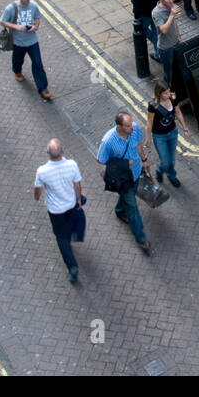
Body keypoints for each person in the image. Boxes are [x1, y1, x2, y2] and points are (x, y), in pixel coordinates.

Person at [97, 112, 151, 255]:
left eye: (131, 123)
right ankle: (141, 239)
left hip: (136, 172)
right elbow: (101, 160)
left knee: (128, 198)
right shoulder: (108, 141)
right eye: (127, 126)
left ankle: (119, 210)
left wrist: (144, 160)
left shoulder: (134, 129)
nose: (131, 127)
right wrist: (122, 165)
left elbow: (138, 145)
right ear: (119, 126)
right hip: (123, 179)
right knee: (133, 209)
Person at [35, 139, 85, 283]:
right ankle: (74, 236)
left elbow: (38, 191)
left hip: (55, 211)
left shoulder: (42, 171)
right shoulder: (72, 165)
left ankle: (72, 266)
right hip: (71, 205)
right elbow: (77, 185)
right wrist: (78, 200)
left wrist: (37, 196)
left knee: (61, 237)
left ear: (47, 152)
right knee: (72, 225)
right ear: (62, 151)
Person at [1, 0, 52, 100]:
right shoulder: (11, 8)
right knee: (18, 60)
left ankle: (43, 88)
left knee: (38, 64)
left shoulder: (33, 7)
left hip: (32, 41)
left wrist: (35, 26)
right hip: (18, 42)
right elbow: (2, 21)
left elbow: (37, 19)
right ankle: (17, 71)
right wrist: (16, 27)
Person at [142, 80, 188, 187]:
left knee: (171, 160)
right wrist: (148, 139)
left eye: (169, 92)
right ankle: (160, 170)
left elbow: (178, 113)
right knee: (166, 162)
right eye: (165, 93)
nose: (168, 95)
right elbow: (149, 123)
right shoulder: (153, 106)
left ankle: (171, 176)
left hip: (172, 133)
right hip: (159, 137)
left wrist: (185, 129)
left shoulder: (172, 99)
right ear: (159, 93)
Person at [151, 0, 181, 84]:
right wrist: (171, 14)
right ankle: (168, 89)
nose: (171, 1)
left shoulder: (170, 6)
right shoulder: (156, 12)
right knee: (169, 72)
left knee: (178, 68)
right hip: (166, 48)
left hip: (175, 42)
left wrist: (179, 37)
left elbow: (174, 22)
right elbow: (163, 30)